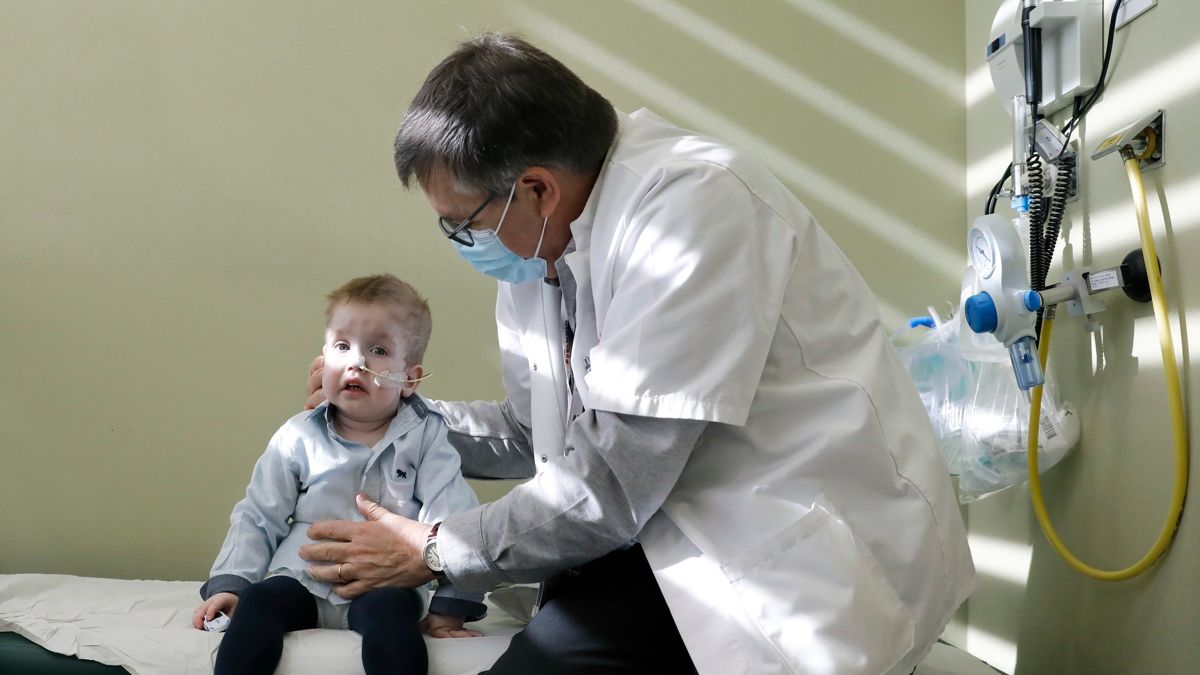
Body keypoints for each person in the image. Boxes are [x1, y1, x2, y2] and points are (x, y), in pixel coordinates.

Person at [300, 34, 975, 675]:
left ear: (535, 188)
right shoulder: (541, 255)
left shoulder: (694, 209)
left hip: (786, 563)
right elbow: (538, 433)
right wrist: (391, 407)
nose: (458, 239)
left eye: (461, 222)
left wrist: (436, 548)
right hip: (650, 538)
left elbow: (613, 480)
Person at [195, 274, 486, 675]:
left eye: (379, 350)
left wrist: (450, 608)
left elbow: (453, 518)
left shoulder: (427, 439)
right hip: (301, 578)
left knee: (392, 620)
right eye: (342, 346)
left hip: (383, 587)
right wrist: (231, 584)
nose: (357, 362)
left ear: (410, 380)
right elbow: (258, 515)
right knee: (259, 602)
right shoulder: (297, 435)